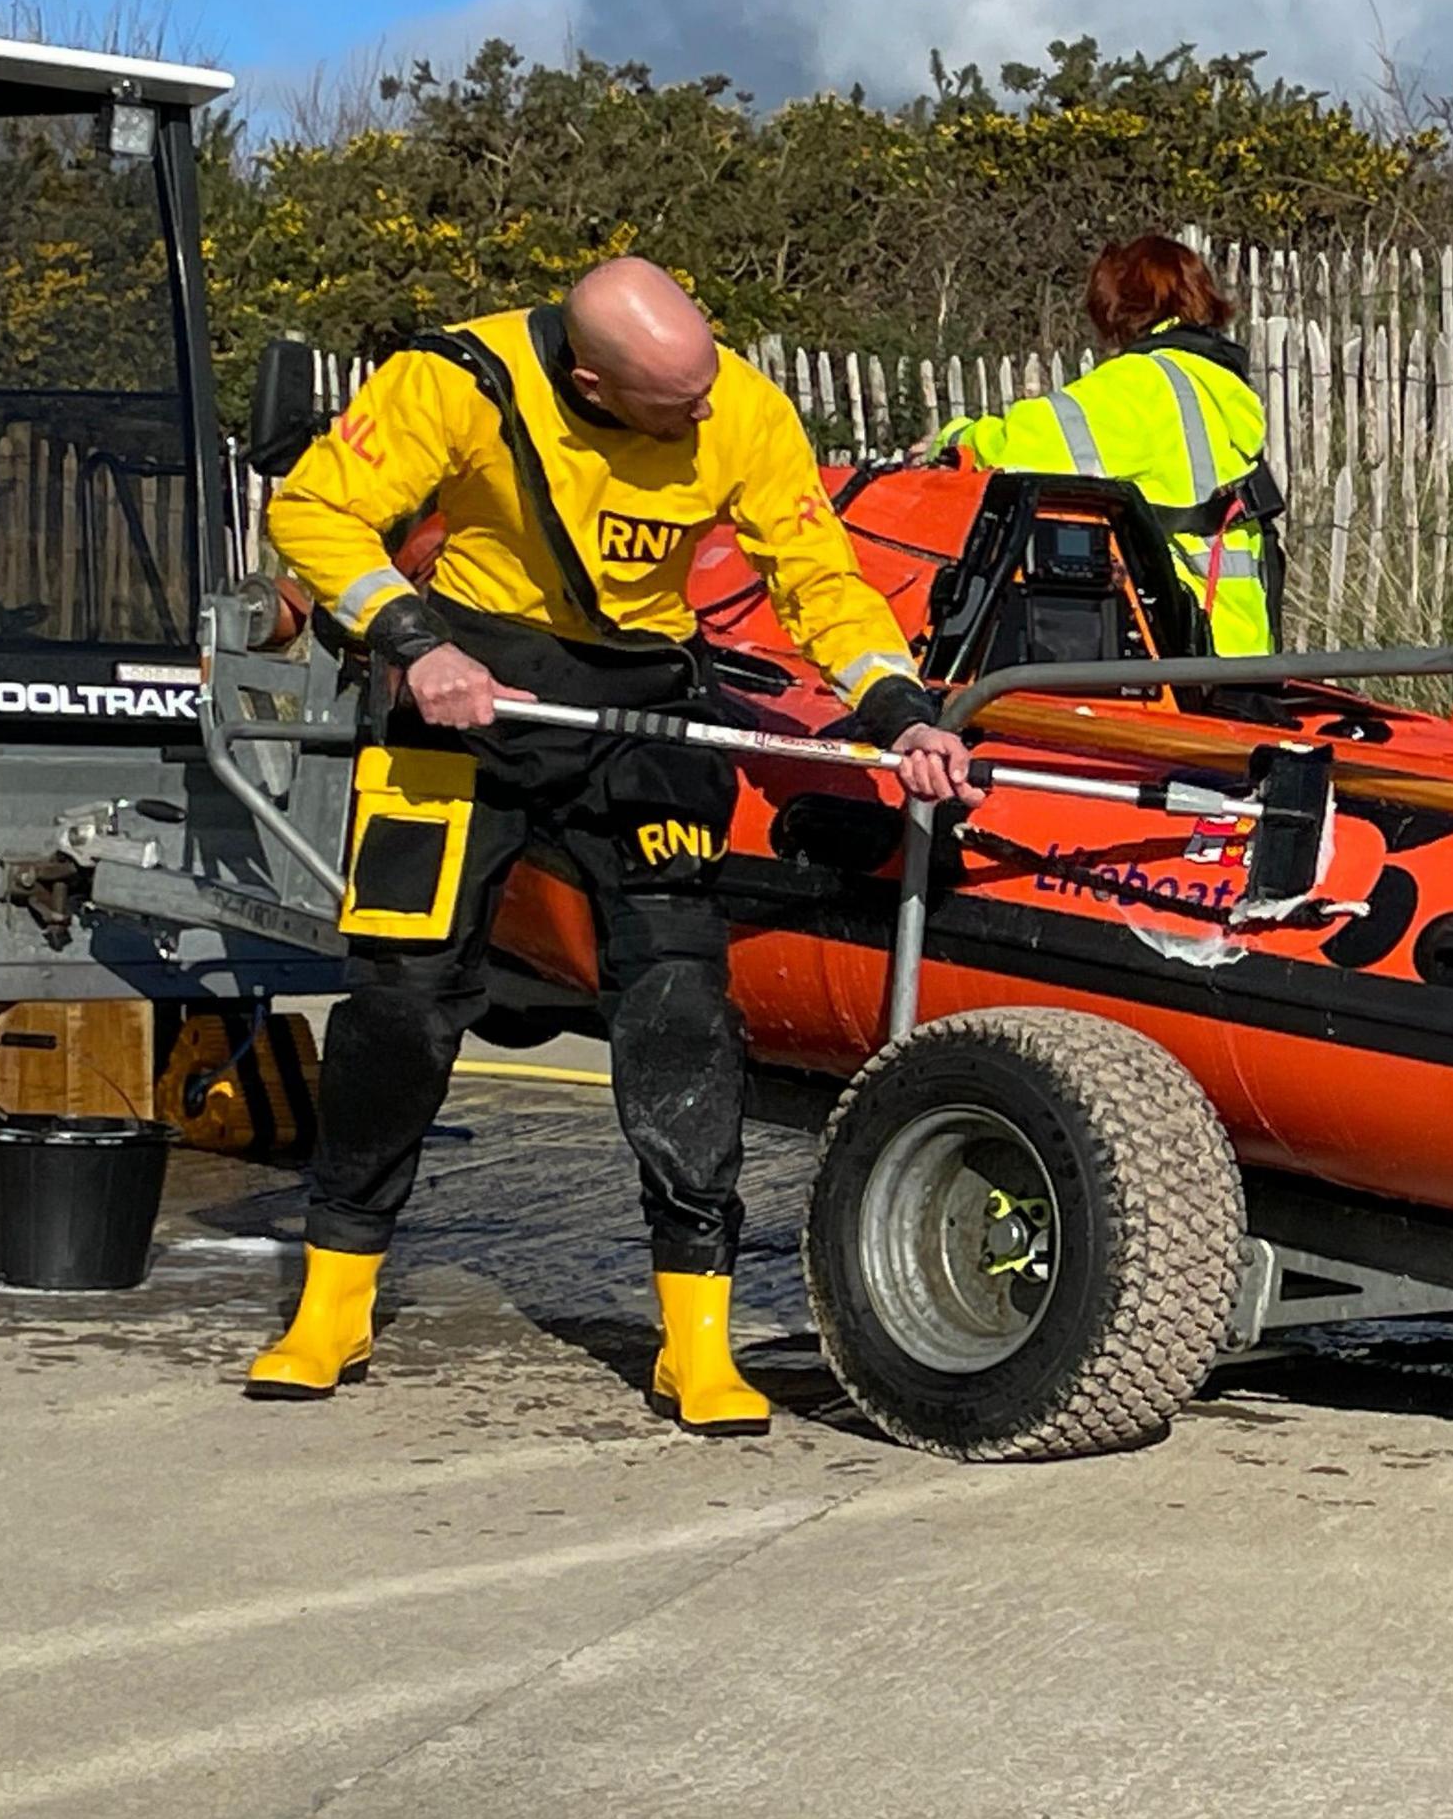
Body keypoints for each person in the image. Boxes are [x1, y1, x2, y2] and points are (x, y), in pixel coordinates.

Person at [249, 258, 981, 1434]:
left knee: (680, 1009)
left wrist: (896, 709)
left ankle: (695, 1336)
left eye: (706, 385)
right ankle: (335, 1296)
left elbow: (816, 576)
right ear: (590, 377)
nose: (704, 414)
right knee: (401, 998)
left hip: (639, 711)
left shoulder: (733, 398)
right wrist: (413, 640)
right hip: (467, 696)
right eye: (672, 404)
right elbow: (312, 512)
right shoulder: (453, 379)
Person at [936, 235, 1284, 654]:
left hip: (1186, 644)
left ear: (1119, 306)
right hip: (1243, 639)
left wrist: (953, 437)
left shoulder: (1142, 384)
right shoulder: (1218, 381)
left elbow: (1021, 445)